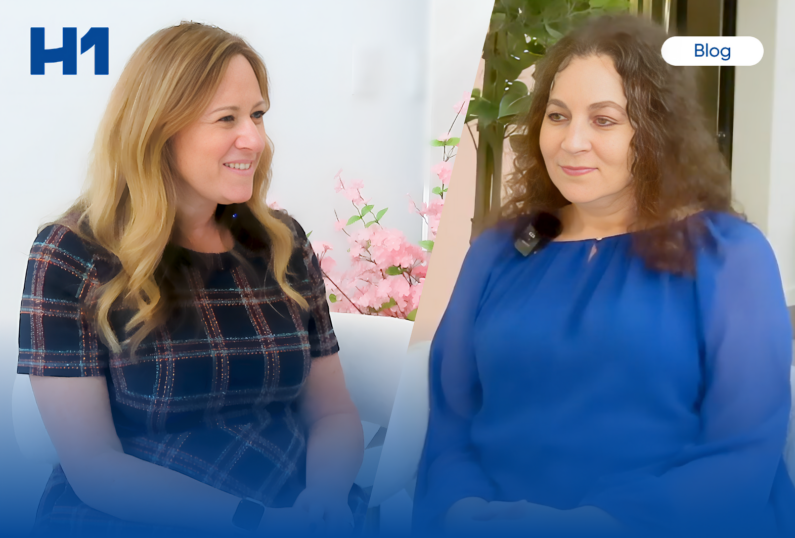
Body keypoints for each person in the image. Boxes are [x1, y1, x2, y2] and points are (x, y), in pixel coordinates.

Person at [413, 15, 795, 538]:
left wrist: (594, 524)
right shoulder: (496, 253)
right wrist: (459, 511)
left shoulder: (730, 256)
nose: (572, 142)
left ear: (657, 130)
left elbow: (742, 452)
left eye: (605, 120)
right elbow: (451, 424)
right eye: (557, 115)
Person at [17, 22, 366, 538]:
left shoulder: (280, 242)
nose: (254, 139)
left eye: (258, 115)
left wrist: (326, 498)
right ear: (158, 130)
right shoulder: (72, 255)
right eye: (226, 118)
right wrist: (249, 520)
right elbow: (93, 467)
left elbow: (333, 414)